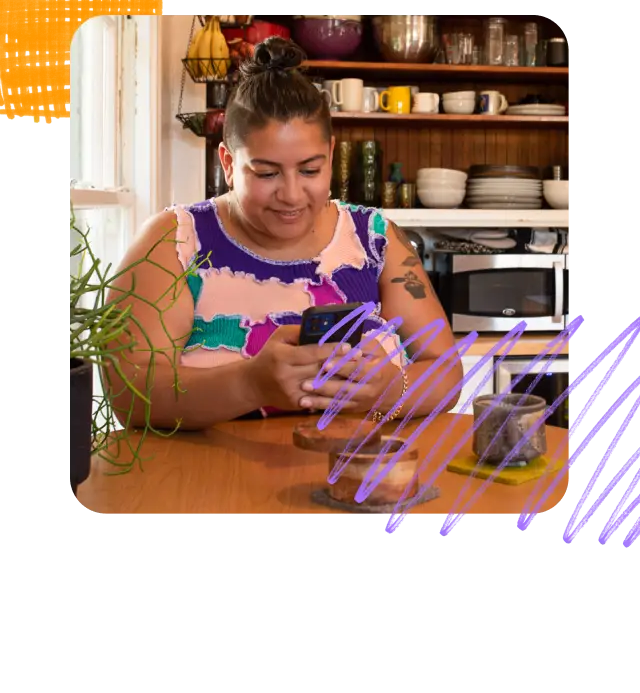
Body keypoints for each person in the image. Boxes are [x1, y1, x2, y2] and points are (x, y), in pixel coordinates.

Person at [105, 37, 463, 430]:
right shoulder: (172, 242)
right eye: (266, 173)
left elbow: (447, 374)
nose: (291, 195)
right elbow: (128, 395)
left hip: (354, 479)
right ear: (227, 161)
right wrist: (248, 385)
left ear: (330, 153)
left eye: (310, 170)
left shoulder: (376, 239)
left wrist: (390, 388)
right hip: (208, 483)